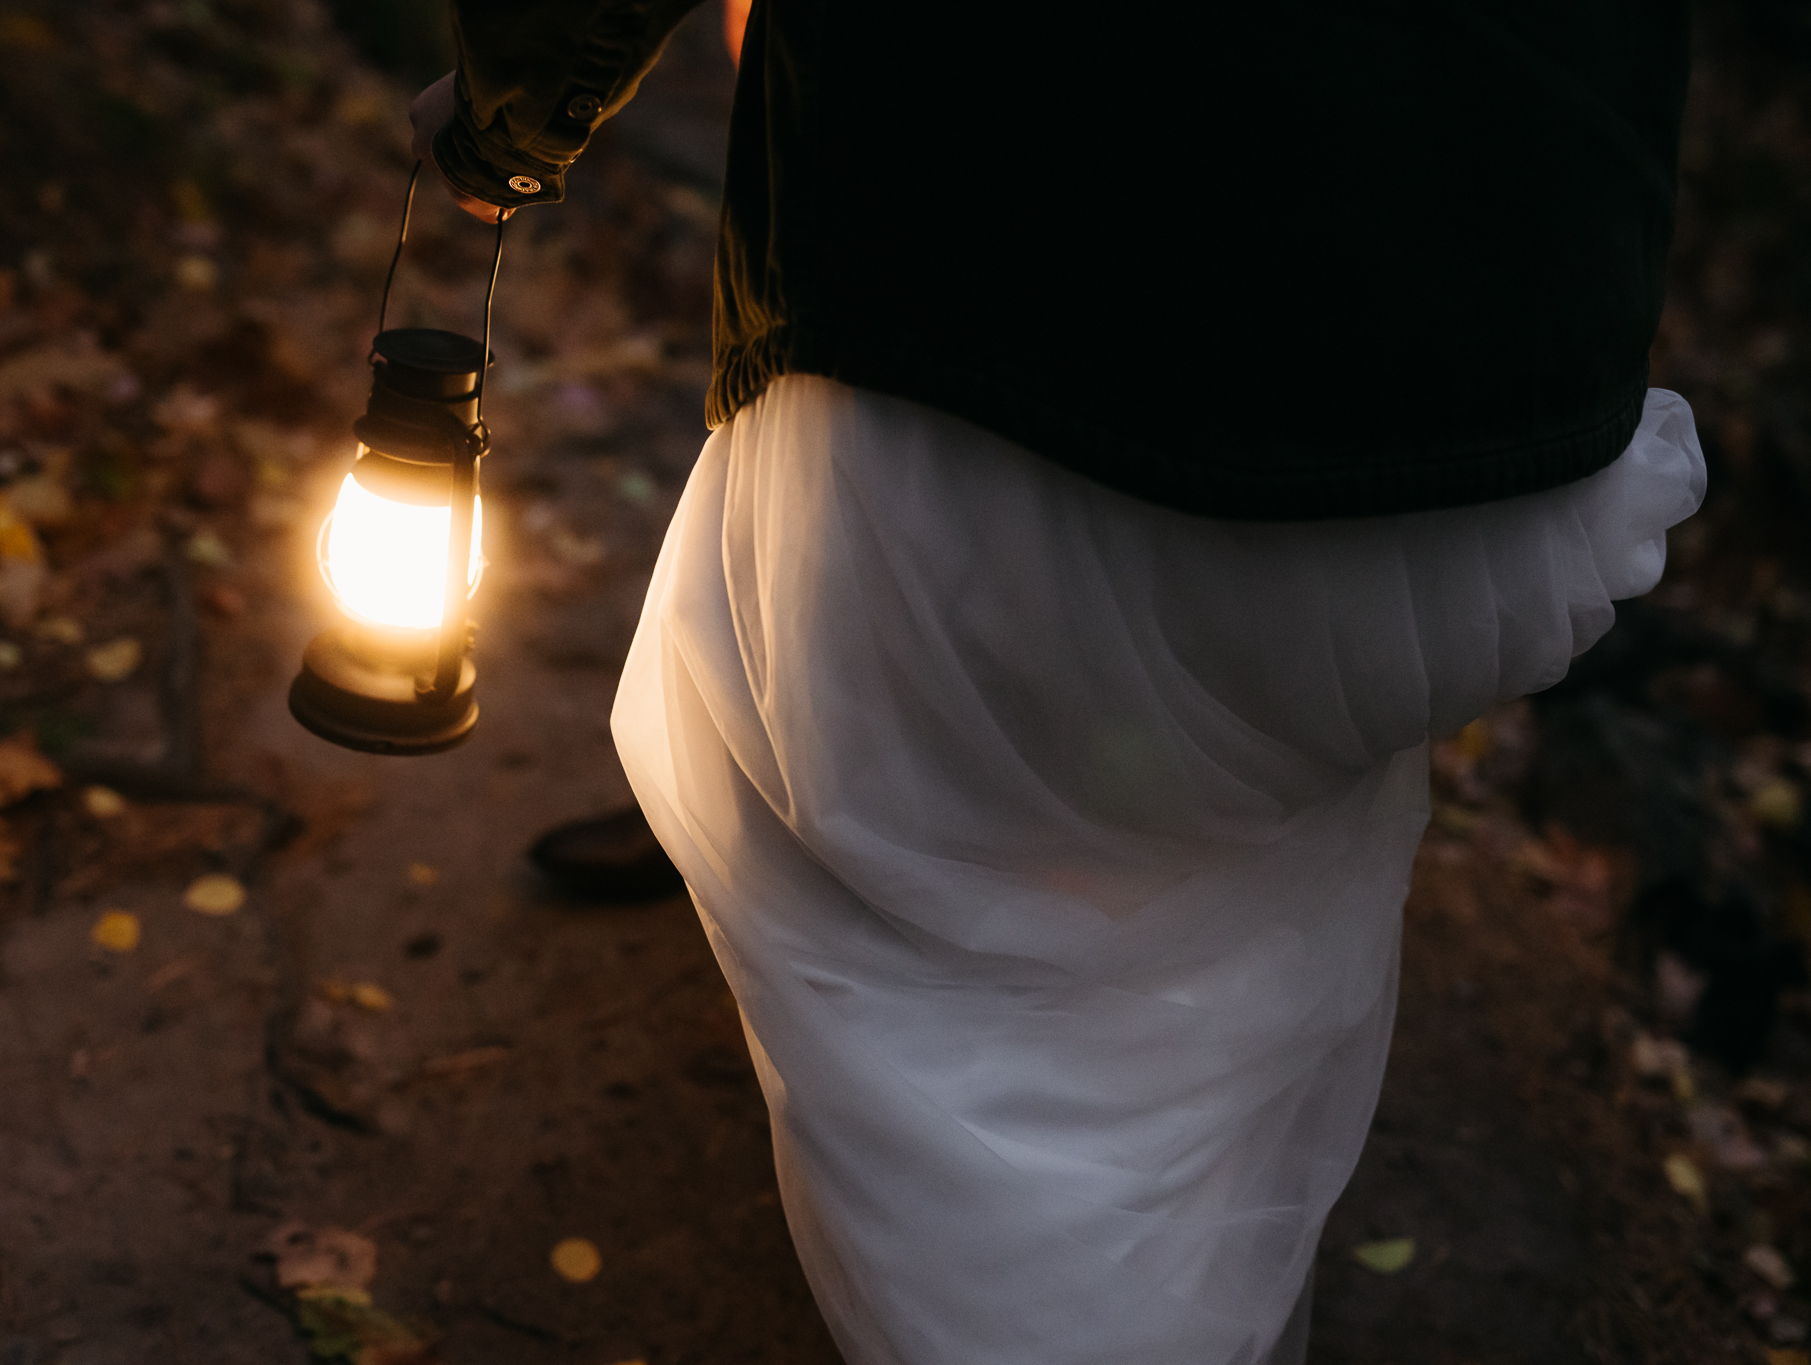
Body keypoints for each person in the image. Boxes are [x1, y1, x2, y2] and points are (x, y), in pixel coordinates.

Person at [411, 4, 1705, 1361]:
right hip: (1504, 436)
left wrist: (504, 120)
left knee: (900, 860)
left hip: (1024, 373)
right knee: (1226, 826)